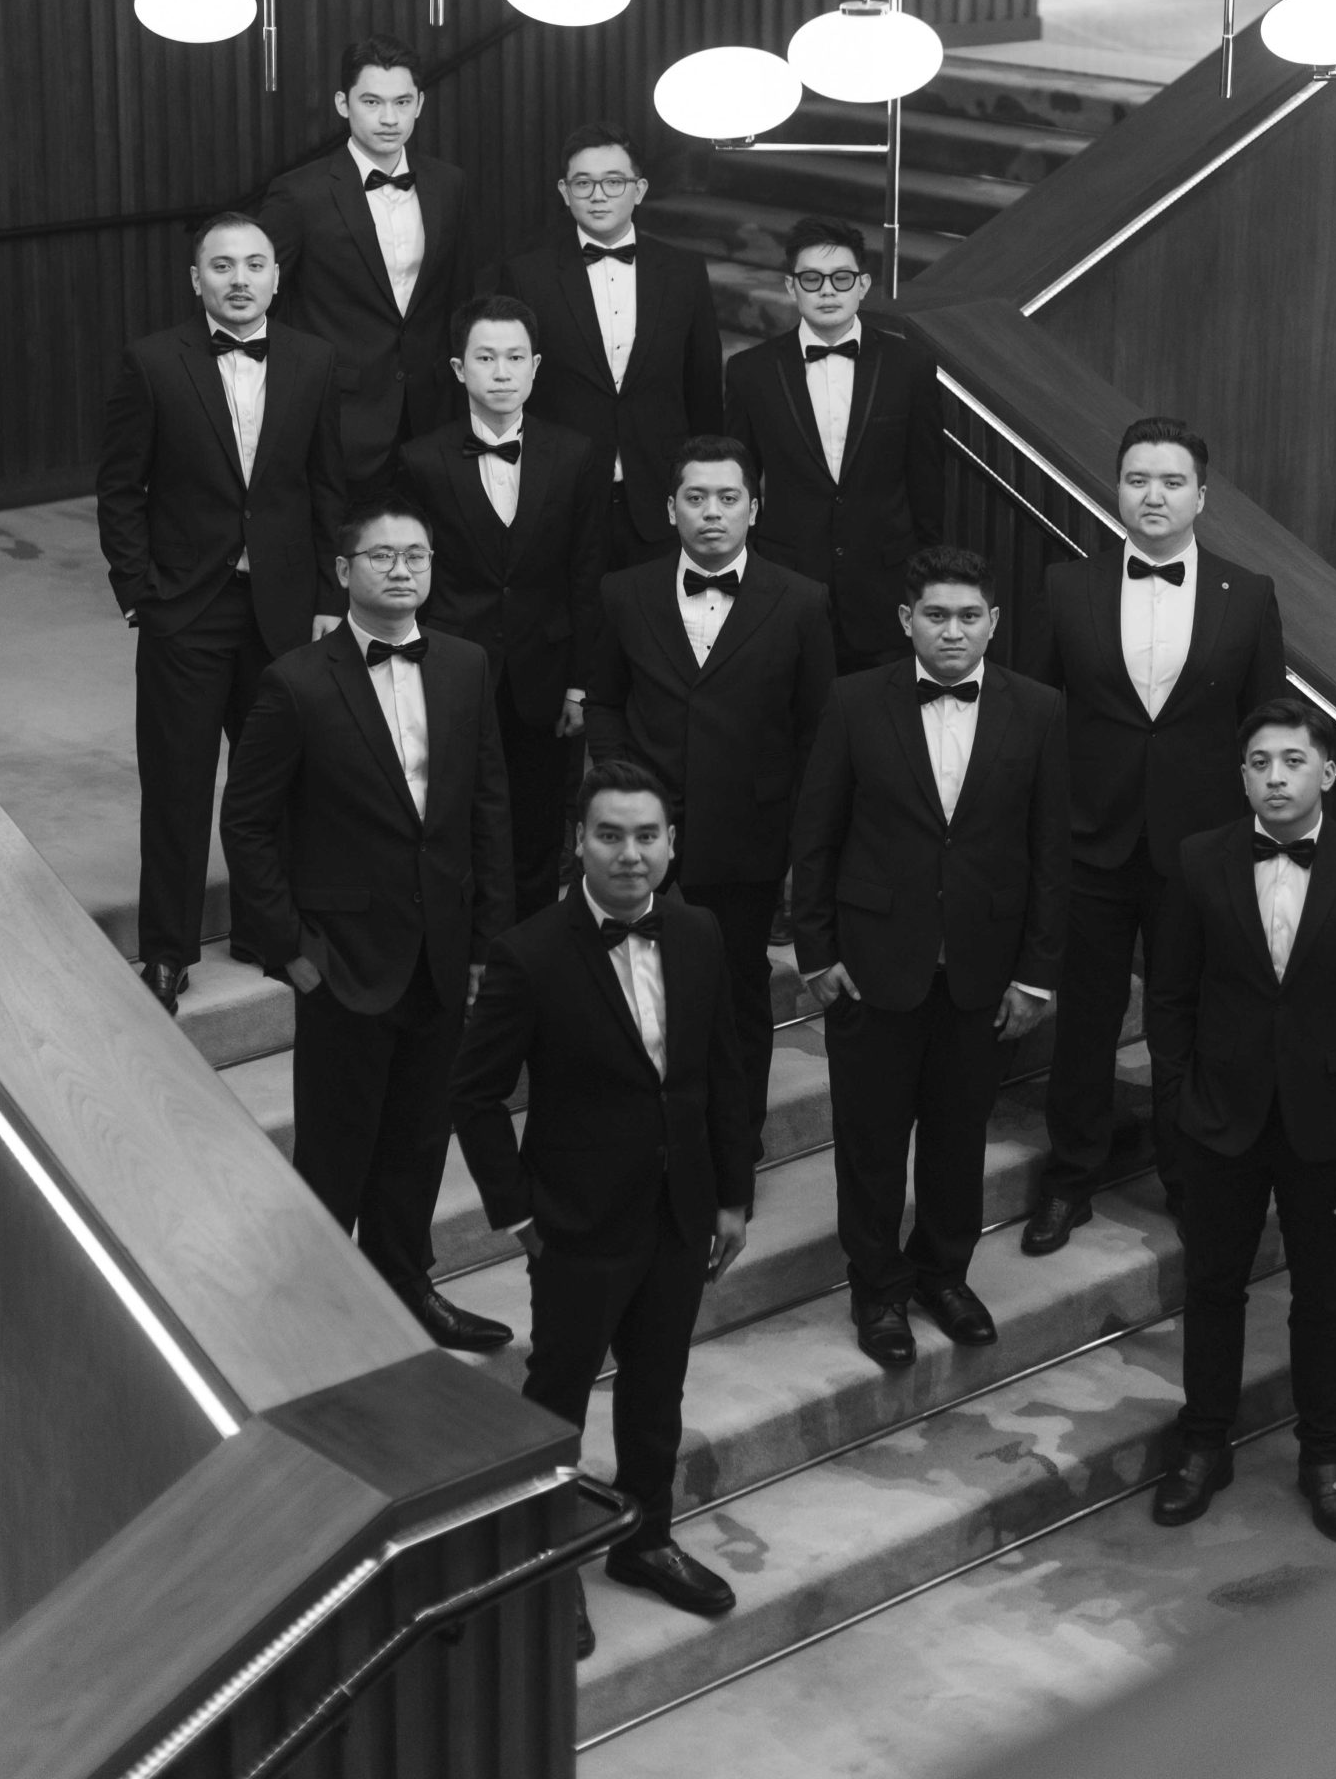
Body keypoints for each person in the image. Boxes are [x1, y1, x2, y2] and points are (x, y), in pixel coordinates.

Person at [451, 761, 750, 1659]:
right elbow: (474, 1094)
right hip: (576, 1222)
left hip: (679, 1211)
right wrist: (519, 1216)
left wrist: (731, 1194)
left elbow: (722, 1069)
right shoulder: (530, 952)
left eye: (646, 836)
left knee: (657, 1391)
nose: (629, 854)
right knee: (558, 1400)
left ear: (671, 844)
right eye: (610, 835)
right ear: (579, 842)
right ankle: (547, 1566)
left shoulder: (697, 932)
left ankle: (644, 1539)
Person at [219, 497, 514, 1355]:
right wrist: (289, 949)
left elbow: (488, 807)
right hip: (341, 956)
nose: (401, 569)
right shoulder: (296, 681)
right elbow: (247, 823)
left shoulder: (465, 665)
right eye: (382, 556)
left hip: (442, 950)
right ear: (344, 571)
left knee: (419, 1138)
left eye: (415, 555)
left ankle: (405, 1286)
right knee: (334, 1149)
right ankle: (315, 1313)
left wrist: (486, 943)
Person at [792, 545, 1070, 1369]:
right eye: (936, 615)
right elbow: (817, 834)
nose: (953, 631)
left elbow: (1050, 853)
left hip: (983, 969)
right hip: (871, 964)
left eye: (968, 616)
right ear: (906, 620)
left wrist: (1036, 972)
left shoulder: (1040, 710)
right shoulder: (852, 701)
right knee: (870, 1144)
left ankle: (943, 1275)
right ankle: (877, 1290)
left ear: (993, 622)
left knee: (957, 1138)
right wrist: (815, 953)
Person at [1148, 696, 1336, 1541]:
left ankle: (1323, 1458)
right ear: (1241, 776)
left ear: (1326, 772)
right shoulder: (1198, 860)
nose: (1275, 777)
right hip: (1218, 1119)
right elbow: (1169, 995)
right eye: (1260, 762)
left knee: (1322, 1297)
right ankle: (1203, 1445)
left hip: (1326, 1129)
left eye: (1293, 761)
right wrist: (1180, 1102)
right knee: (1210, 1287)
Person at [1022, 417, 1287, 1257]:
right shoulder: (1067, 585)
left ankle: (1187, 1180)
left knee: (1187, 1025)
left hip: (1200, 851)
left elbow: (1266, 731)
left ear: (1201, 496)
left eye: (1171, 482)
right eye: (1137, 479)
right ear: (1117, 488)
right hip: (1088, 842)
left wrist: (1261, 849)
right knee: (1084, 1023)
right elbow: (1035, 719)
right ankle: (1069, 1179)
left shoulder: (1248, 594)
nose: (1153, 495)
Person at [96, 212, 346, 1015]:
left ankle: (267, 934)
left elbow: (327, 487)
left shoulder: (313, 360)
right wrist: (138, 593)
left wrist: (328, 599)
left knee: (276, 782)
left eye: (254, 264)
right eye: (222, 265)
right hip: (186, 606)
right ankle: (167, 953)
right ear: (195, 279)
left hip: (283, 607)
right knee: (177, 784)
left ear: (276, 275)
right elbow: (120, 487)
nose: (239, 279)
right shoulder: (151, 362)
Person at [585, 435, 836, 1164]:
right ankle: (642, 1146)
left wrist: (798, 846)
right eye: (695, 498)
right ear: (670, 509)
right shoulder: (623, 592)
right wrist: (626, 793)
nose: (712, 512)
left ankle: (733, 1150)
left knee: (738, 996)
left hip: (749, 834)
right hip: (641, 839)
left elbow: (816, 731)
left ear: (753, 508)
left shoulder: (801, 600)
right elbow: (604, 702)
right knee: (634, 993)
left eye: (728, 498)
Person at [399, 294, 605, 919]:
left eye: (516, 358)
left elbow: (585, 575)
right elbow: (415, 577)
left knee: (539, 827)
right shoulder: (421, 459)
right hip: (454, 669)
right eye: (485, 358)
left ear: (535, 367)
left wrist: (580, 685)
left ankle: (533, 955)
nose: (502, 372)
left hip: (545, 672)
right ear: (459, 369)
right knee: (456, 820)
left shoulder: (575, 454)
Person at [495, 123, 723, 568]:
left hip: (662, 493)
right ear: (564, 192)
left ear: (639, 189)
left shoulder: (684, 271)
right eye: (583, 183)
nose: (598, 195)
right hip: (563, 494)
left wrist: (705, 484)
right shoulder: (526, 276)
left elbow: (703, 386)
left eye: (613, 182)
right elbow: (512, 391)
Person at [724, 216, 944, 672]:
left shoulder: (911, 366)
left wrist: (926, 576)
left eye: (841, 278)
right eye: (812, 279)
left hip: (886, 586)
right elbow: (737, 483)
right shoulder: (751, 372)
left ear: (863, 285)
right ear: (791, 286)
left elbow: (927, 481)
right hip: (787, 580)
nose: (827, 290)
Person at [261, 34, 472, 494]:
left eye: (402, 102)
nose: (389, 118)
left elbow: (459, 295)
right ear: (343, 103)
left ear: (420, 104)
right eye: (372, 102)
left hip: (433, 410)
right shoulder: (299, 194)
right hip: (339, 413)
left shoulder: (448, 184)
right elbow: (259, 303)